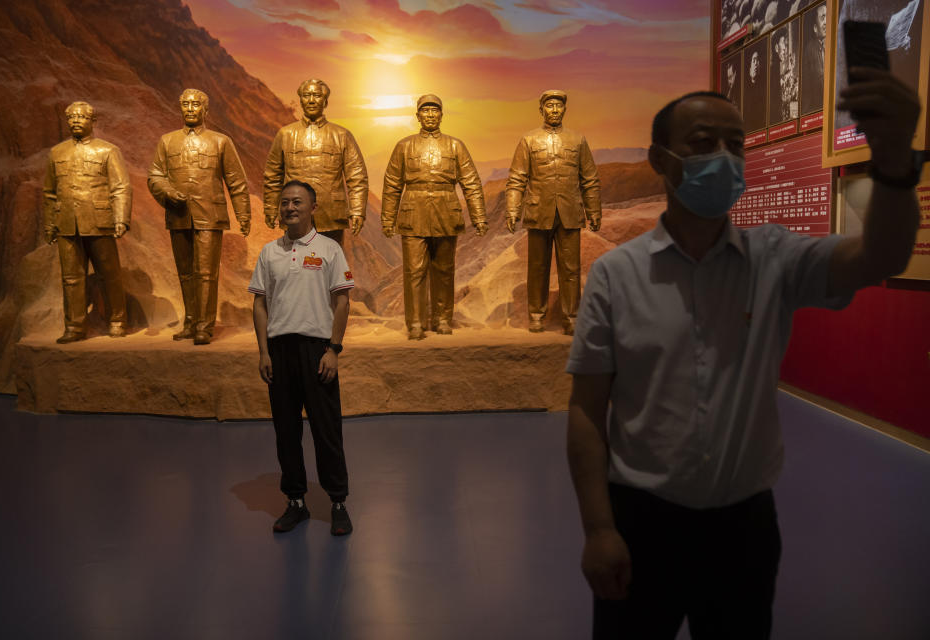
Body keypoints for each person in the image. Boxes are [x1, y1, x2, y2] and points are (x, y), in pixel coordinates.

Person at [566, 69, 920, 638]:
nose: (724, 158)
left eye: (737, 145)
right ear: (661, 161)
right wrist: (598, 528)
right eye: (704, 145)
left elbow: (881, 254)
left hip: (744, 527)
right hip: (641, 523)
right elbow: (587, 410)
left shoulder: (775, 259)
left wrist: (896, 160)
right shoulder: (615, 275)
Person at [250, 180, 355, 536]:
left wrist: (333, 350)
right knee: (286, 431)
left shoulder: (329, 249)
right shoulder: (269, 252)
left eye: (297, 202)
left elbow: (342, 301)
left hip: (318, 351)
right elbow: (260, 303)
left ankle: (338, 501)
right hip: (280, 351)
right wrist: (264, 351)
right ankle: (296, 501)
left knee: (327, 430)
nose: (289, 208)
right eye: (284, 203)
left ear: (313, 207)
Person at [147, 88, 251, 345]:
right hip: (179, 215)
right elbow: (155, 176)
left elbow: (237, 182)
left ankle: (205, 325)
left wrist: (244, 215)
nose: (190, 108)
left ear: (206, 110)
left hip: (209, 214)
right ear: (180, 108)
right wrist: (168, 193)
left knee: (206, 273)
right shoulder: (167, 141)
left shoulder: (220, 141)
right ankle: (191, 321)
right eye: (186, 104)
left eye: (196, 104)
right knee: (185, 273)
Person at [381, 94, 488, 340]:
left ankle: (442, 319)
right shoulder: (404, 146)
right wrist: (388, 218)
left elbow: (471, 183)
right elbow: (392, 185)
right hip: (413, 214)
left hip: (446, 212)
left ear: (441, 114)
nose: (430, 115)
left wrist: (479, 217)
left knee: (444, 269)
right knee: (414, 271)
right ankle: (416, 323)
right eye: (425, 111)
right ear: (417, 116)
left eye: (434, 110)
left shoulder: (455, 146)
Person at [505, 89, 601, 335]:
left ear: (565, 109)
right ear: (541, 110)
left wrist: (594, 210)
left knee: (571, 269)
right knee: (538, 267)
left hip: (569, 212)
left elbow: (589, 179)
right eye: (550, 106)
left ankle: (572, 318)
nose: (555, 110)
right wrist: (513, 210)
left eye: (559, 106)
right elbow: (516, 179)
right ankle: (536, 315)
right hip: (539, 212)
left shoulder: (577, 141)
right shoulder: (529, 141)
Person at [42, 101, 131, 343]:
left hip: (100, 221)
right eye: (71, 118)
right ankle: (74, 326)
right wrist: (50, 224)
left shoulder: (107, 151)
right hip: (67, 223)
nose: (76, 121)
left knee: (109, 274)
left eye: (81, 117)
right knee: (71, 278)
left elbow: (120, 187)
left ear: (93, 121)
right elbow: (50, 192)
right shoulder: (57, 153)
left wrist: (121, 219)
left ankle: (117, 320)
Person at [263, 78, 369, 246]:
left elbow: (357, 177)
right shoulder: (285, 134)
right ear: (300, 100)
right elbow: (272, 176)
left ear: (325, 101)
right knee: (295, 267)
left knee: (328, 266)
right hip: (294, 214)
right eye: (306, 95)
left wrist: (357, 210)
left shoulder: (341, 135)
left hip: (331, 215)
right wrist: (270, 207)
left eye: (316, 95)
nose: (311, 100)